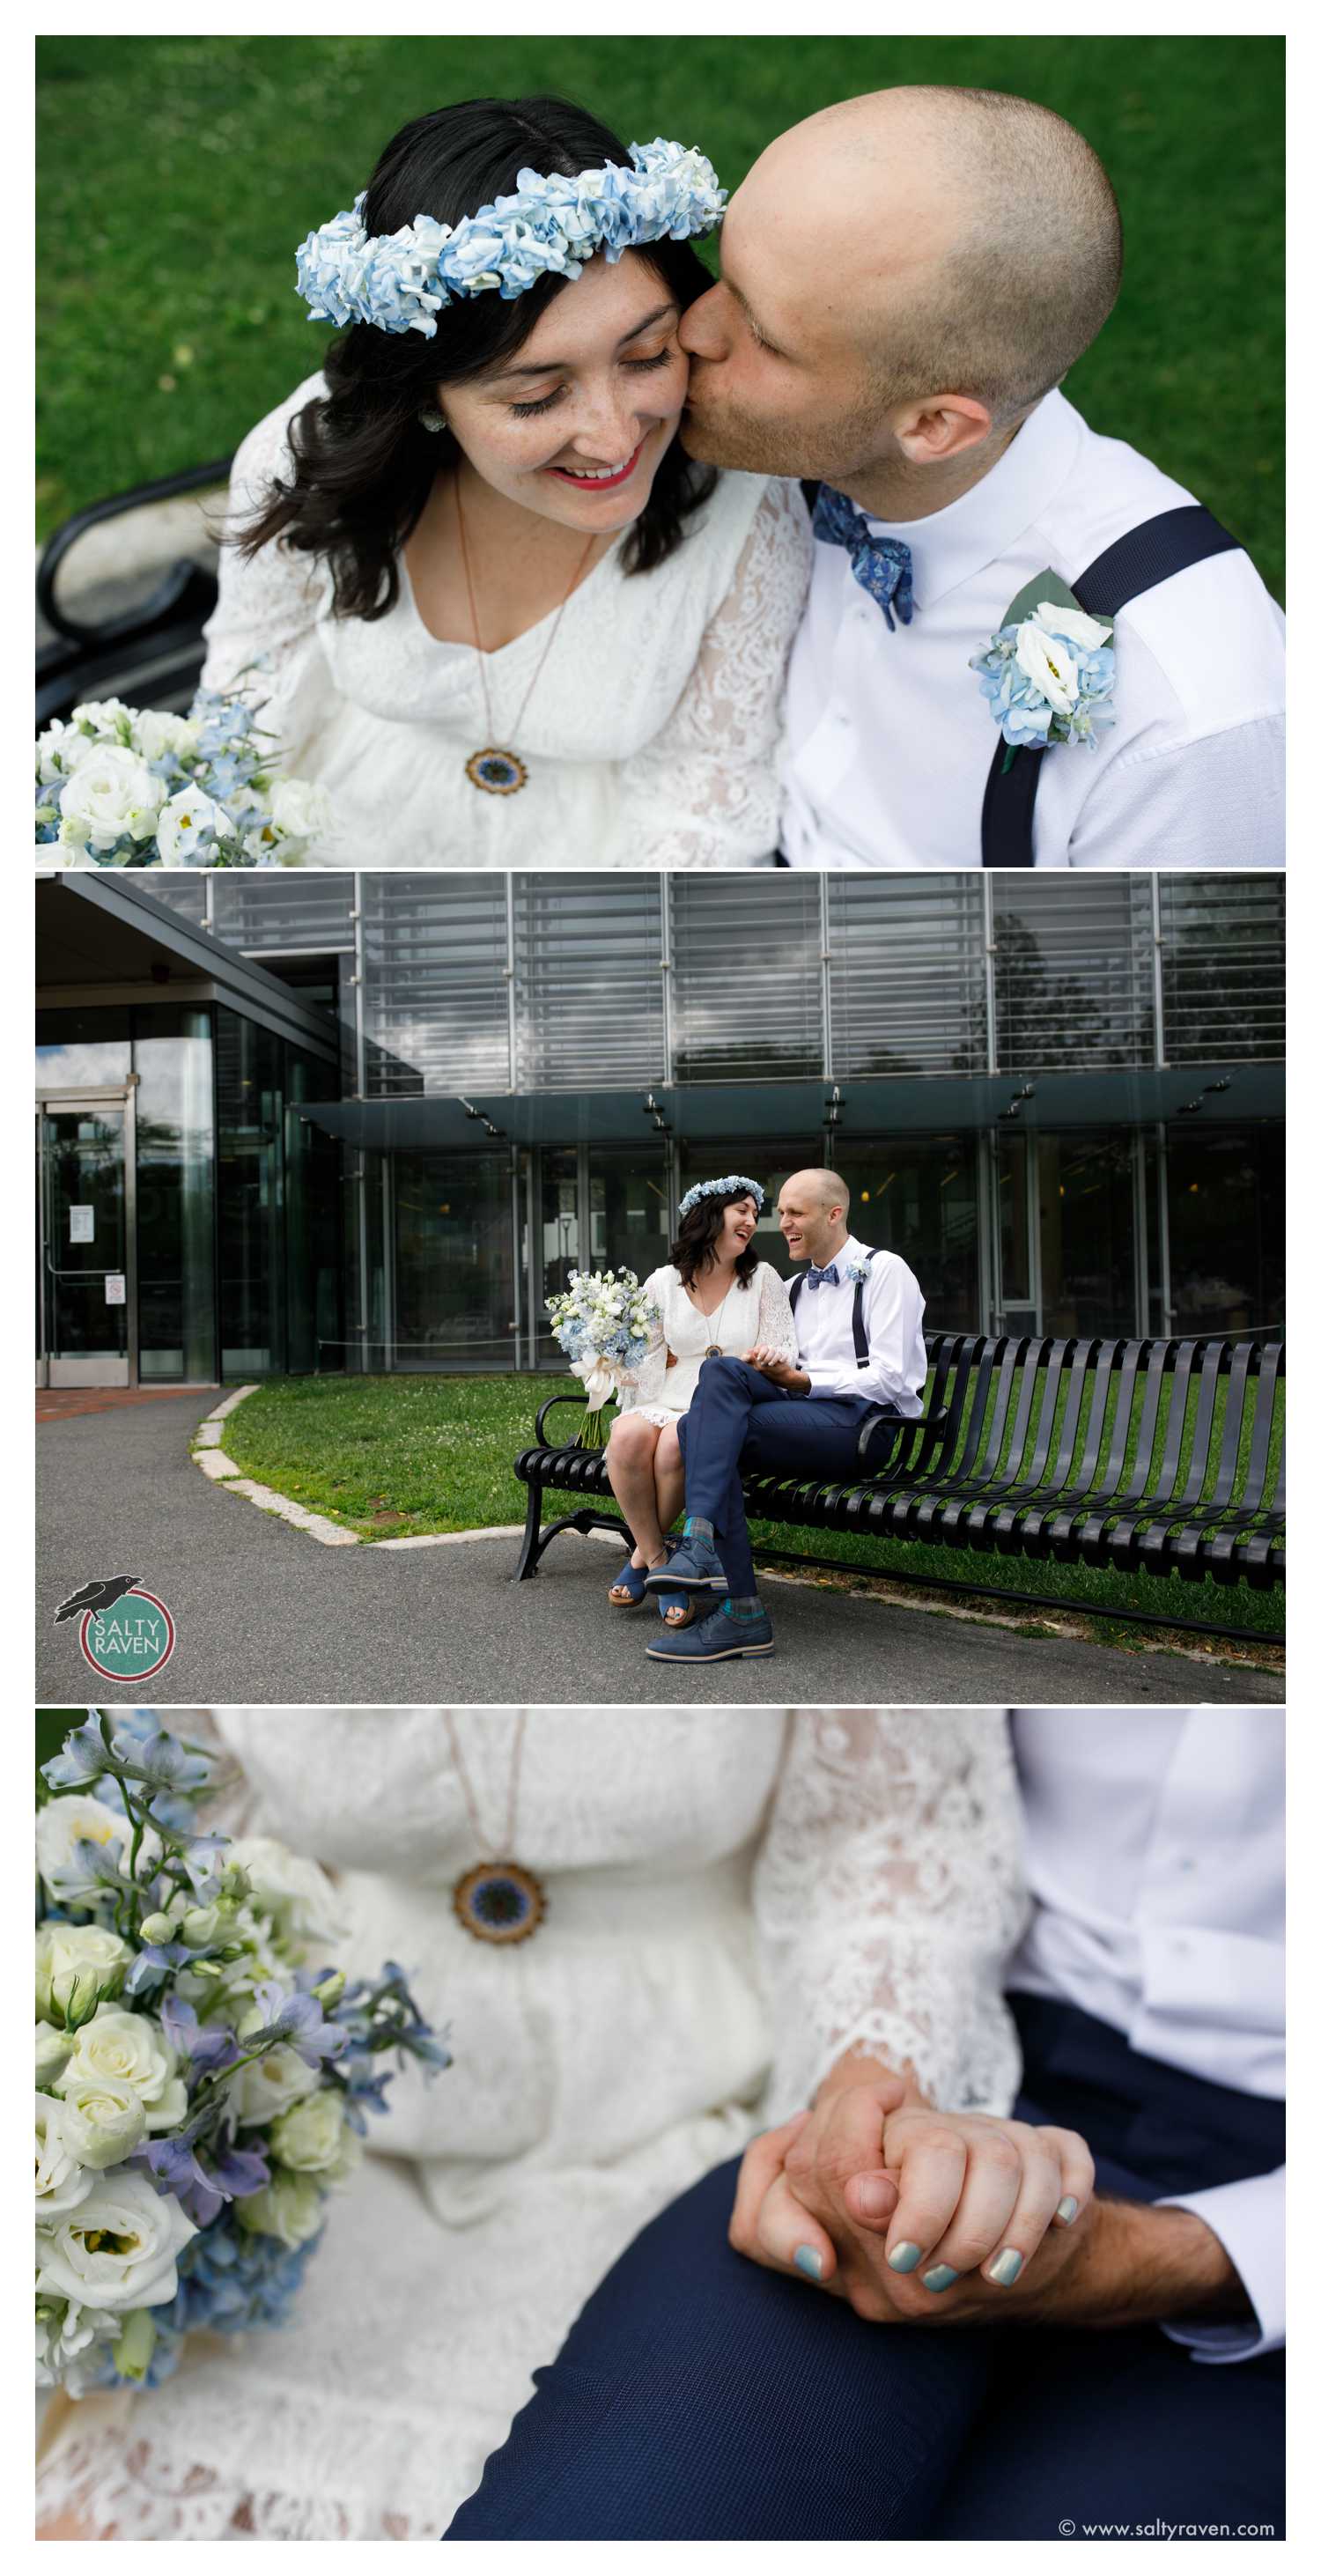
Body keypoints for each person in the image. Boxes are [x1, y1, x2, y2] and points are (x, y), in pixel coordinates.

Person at [35, 1706, 1027, 2542]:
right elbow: (171, 1818)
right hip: (309, 2131)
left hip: (709, 2116)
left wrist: (857, 2096)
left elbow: (887, 1841)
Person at [448, 1706, 1285, 2542]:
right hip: (974, 2058)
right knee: (634, 2501)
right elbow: (897, 1821)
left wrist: (1179, 2256)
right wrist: (872, 2111)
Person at [677, 87, 1285, 869]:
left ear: (934, 427)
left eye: (761, 335)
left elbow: (1159, 986)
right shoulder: (795, 455)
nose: (692, 329)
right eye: (721, 272)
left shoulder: (1187, 722)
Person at [199, 97, 812, 869]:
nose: (615, 435)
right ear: (424, 395)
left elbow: (706, 795)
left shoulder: (744, 507)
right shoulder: (309, 461)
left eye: (648, 354)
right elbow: (247, 693)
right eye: (536, 397)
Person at [645, 1169, 926, 1664]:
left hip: (864, 1427)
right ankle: (710, 1558)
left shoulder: (885, 1272)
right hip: (802, 1416)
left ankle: (735, 1600)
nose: (783, 1224)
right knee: (719, 1380)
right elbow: (784, 1366)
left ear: (834, 1214)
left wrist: (805, 1381)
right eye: (783, 1213)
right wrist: (771, 1366)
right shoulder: (792, 1286)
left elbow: (893, 1378)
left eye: (796, 1213)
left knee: (701, 1430)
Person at [604, 1177, 794, 1628]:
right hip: (667, 1391)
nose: (751, 1220)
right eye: (741, 1210)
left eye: (754, 1213)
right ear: (710, 1215)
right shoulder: (663, 1282)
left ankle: (642, 1566)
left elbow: (783, 1345)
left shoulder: (762, 1278)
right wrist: (606, 1359)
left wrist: (768, 1357)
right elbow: (646, 1354)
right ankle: (656, 1562)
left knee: (674, 1443)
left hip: (724, 1398)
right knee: (627, 1436)